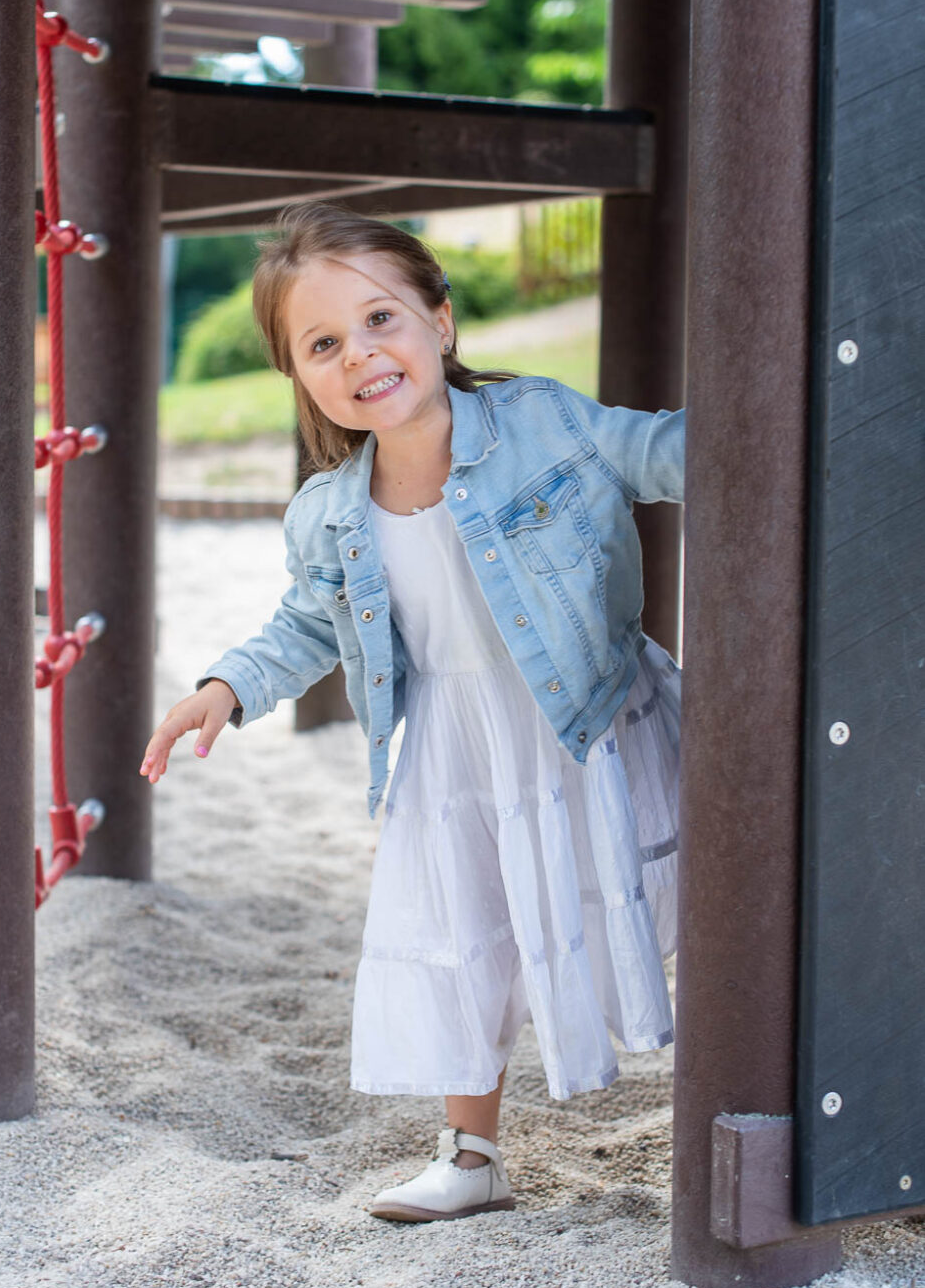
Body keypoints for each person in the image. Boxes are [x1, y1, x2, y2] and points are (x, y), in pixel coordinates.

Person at [140, 200, 684, 1225]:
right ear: (300, 375)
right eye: (323, 344)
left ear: (440, 320)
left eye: (380, 319)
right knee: (462, 930)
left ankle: (750, 1096)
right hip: (450, 751)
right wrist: (224, 688)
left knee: (662, 893)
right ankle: (472, 1154)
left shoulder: (545, 423)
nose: (358, 353)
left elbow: (665, 451)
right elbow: (306, 625)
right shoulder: (330, 512)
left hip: (588, 714)